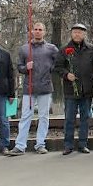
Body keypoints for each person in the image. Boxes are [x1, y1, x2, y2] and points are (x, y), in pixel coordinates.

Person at [7, 22, 58, 156]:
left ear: (44, 32)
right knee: (25, 116)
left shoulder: (51, 48)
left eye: (40, 29)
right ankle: (20, 145)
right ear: (31, 31)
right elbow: (19, 67)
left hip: (45, 87)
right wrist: (26, 68)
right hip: (29, 88)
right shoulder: (24, 49)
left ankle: (40, 144)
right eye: (35, 29)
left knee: (44, 117)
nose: (37, 31)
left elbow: (58, 63)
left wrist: (50, 70)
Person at [54, 24, 93, 155]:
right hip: (70, 90)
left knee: (85, 118)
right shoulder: (64, 49)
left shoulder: (91, 49)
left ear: (84, 34)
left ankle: (83, 144)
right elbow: (58, 67)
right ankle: (68, 145)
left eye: (80, 32)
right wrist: (67, 74)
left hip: (86, 90)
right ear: (71, 34)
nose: (77, 34)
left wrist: (91, 82)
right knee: (69, 119)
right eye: (75, 32)